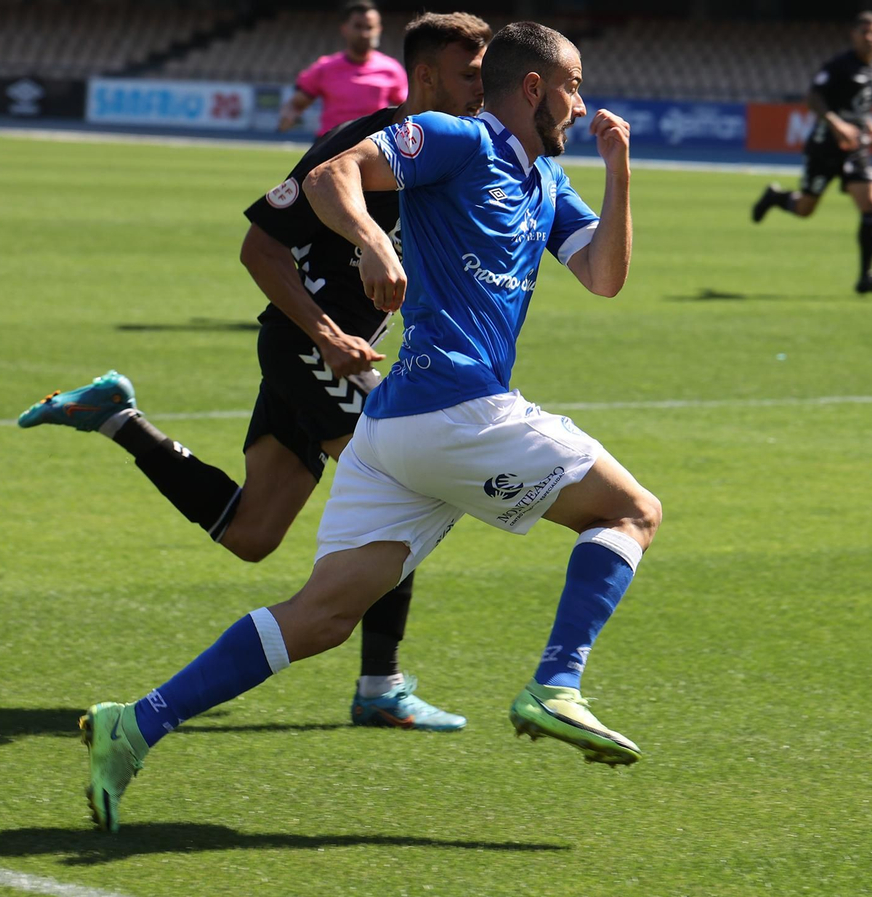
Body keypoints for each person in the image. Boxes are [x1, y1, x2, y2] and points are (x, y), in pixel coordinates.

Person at [75, 21, 659, 833]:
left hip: (397, 430)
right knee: (631, 512)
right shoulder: (457, 139)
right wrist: (374, 239)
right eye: (573, 84)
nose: (581, 99)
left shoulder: (548, 181)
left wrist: (621, 171)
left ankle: (134, 722)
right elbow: (331, 175)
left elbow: (604, 276)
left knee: (320, 615)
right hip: (455, 409)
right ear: (533, 88)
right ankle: (557, 683)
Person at [19, 12, 492, 736]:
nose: (479, 93)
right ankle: (379, 686)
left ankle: (116, 415)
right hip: (310, 348)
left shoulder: (449, 155)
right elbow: (259, 251)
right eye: (469, 77)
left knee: (251, 531)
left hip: (336, 354)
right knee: (409, 482)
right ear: (425, 76)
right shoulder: (356, 149)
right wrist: (330, 333)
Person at [751, 12, 872, 295]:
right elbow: (814, 98)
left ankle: (866, 275)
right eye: (865, 32)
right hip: (825, 146)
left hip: (855, 148)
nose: (871, 38)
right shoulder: (840, 65)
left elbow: (859, 110)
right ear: (854, 35)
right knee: (805, 209)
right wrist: (837, 124)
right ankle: (776, 197)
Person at [278, 0, 408, 136]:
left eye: (369, 27)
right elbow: (296, 104)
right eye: (358, 26)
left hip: (372, 147)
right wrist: (288, 116)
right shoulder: (325, 68)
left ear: (378, 30)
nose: (364, 34)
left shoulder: (392, 70)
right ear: (344, 29)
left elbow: (407, 110)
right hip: (331, 146)